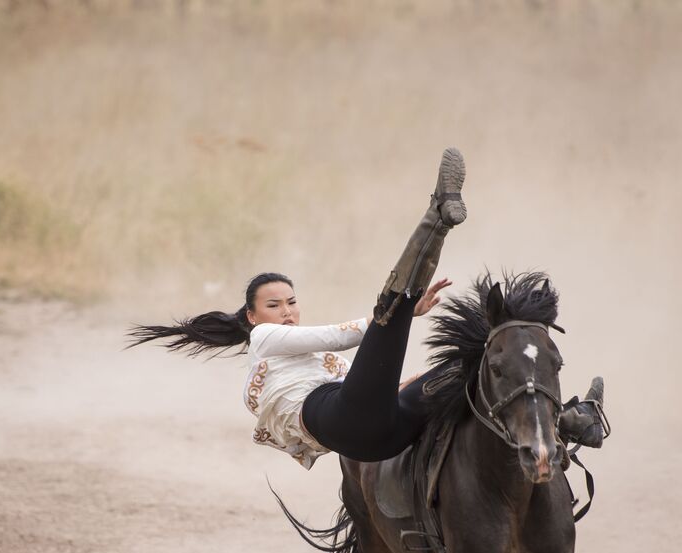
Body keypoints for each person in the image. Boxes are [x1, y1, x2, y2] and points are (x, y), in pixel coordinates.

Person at [128, 148, 607, 469]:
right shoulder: (263, 339)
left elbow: (378, 385)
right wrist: (400, 317)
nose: (287, 312)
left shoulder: (319, 364)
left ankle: (565, 420)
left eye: (292, 302)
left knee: (469, 374)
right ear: (252, 316)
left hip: (383, 435)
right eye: (273, 305)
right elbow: (341, 337)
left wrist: (412, 363)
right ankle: (437, 217)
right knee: (390, 307)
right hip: (340, 424)